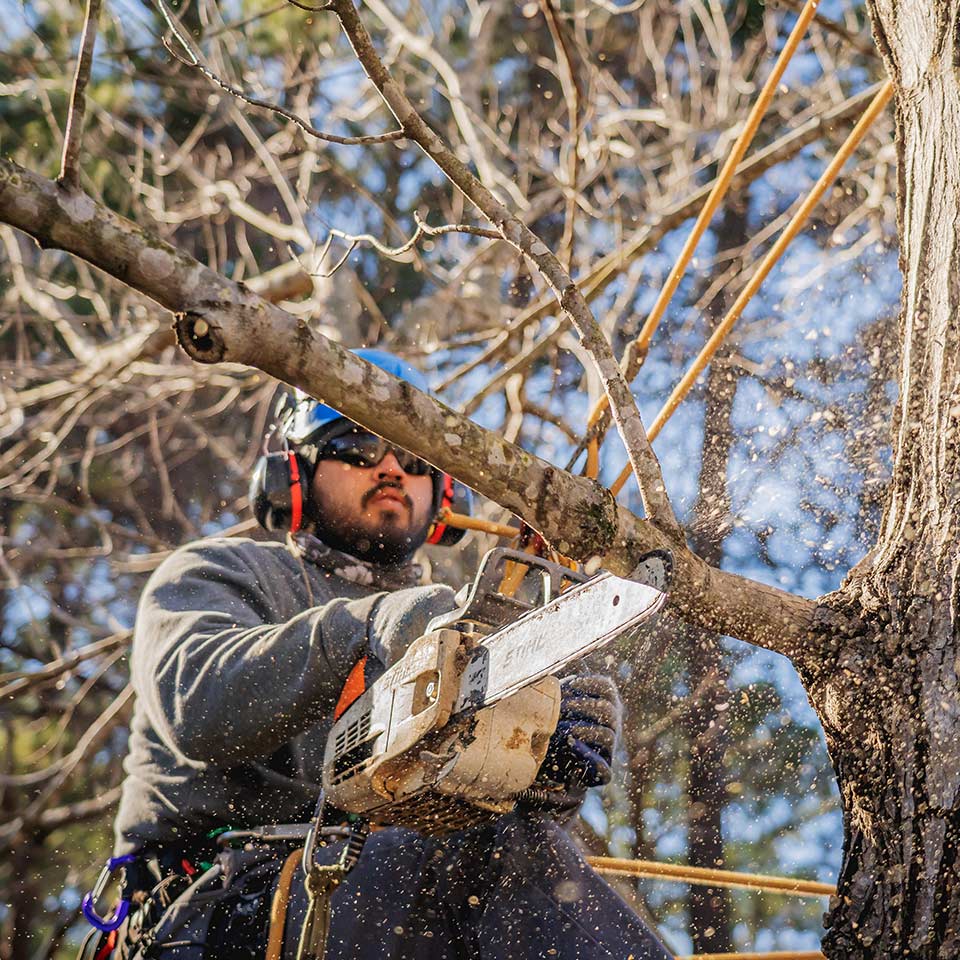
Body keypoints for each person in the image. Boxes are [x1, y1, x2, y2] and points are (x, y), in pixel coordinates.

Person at [93, 350, 672, 960]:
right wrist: (372, 627)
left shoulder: (453, 630)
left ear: (444, 490)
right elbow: (199, 704)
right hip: (212, 912)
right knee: (457, 855)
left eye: (415, 458)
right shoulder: (219, 573)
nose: (391, 469)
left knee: (511, 843)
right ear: (297, 469)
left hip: (385, 902)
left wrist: (533, 760)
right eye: (359, 446)